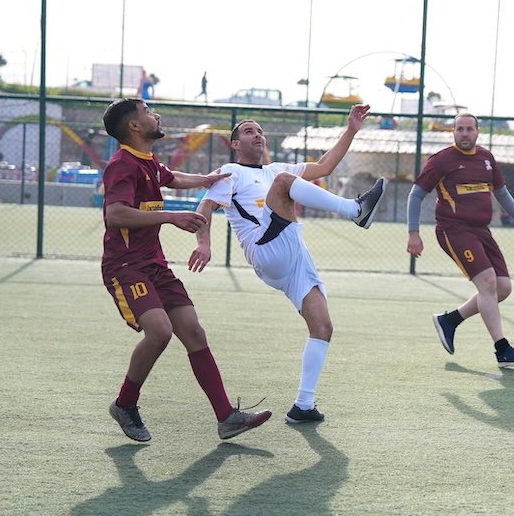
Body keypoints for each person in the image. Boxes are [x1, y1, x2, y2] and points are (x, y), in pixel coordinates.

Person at [189, 104, 387, 424]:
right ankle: (355, 211)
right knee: (284, 182)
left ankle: (303, 405)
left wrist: (351, 130)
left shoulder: (275, 168)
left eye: (260, 131)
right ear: (235, 144)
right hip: (265, 248)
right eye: (249, 132)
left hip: (293, 253)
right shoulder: (231, 171)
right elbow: (206, 206)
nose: (258, 135)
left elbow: (324, 167)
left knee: (322, 327)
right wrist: (204, 243)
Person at [100, 98, 272, 442]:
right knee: (160, 332)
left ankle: (226, 417)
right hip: (126, 267)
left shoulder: (148, 161)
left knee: (193, 331)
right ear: (134, 126)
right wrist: (171, 216)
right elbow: (115, 214)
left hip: (154, 264)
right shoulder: (122, 165)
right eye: (148, 112)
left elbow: (173, 177)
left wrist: (206, 179)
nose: (156, 115)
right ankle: (125, 404)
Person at [406, 113, 514, 368]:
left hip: (481, 231)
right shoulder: (441, 160)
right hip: (454, 230)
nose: (465, 133)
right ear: (453, 132)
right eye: (460, 129)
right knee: (488, 282)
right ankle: (503, 350)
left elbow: (502, 193)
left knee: (503, 287)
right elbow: (416, 195)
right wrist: (414, 232)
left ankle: (450, 321)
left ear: (477, 131)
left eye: (469, 129)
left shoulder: (486, 158)